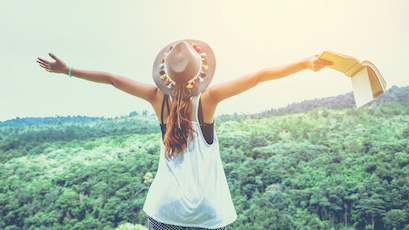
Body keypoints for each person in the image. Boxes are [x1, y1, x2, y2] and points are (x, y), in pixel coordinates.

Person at [37, 39, 332, 230]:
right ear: (200, 73)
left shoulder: (156, 98)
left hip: (164, 211)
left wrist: (69, 70)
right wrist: (304, 64)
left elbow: (114, 80)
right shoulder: (208, 100)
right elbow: (257, 77)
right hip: (207, 215)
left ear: (165, 75)